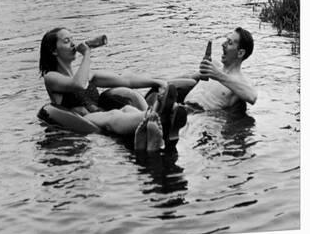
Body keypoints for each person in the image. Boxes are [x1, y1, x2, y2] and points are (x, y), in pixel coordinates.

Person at [39, 27, 186, 151]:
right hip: (84, 118)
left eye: (73, 39)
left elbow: (125, 80)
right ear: (54, 51)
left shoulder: (88, 75)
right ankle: (157, 115)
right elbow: (77, 84)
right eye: (66, 41)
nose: (73, 44)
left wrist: (157, 81)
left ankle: (157, 121)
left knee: (127, 109)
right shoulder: (51, 77)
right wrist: (87, 54)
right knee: (114, 115)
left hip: (101, 113)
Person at [162, 28, 257, 112]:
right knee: (160, 92)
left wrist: (218, 75)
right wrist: (162, 83)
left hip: (200, 117)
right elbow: (190, 77)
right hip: (184, 106)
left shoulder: (240, 81)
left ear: (240, 53)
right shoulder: (214, 66)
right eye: (226, 40)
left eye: (230, 43)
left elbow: (252, 97)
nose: (223, 45)